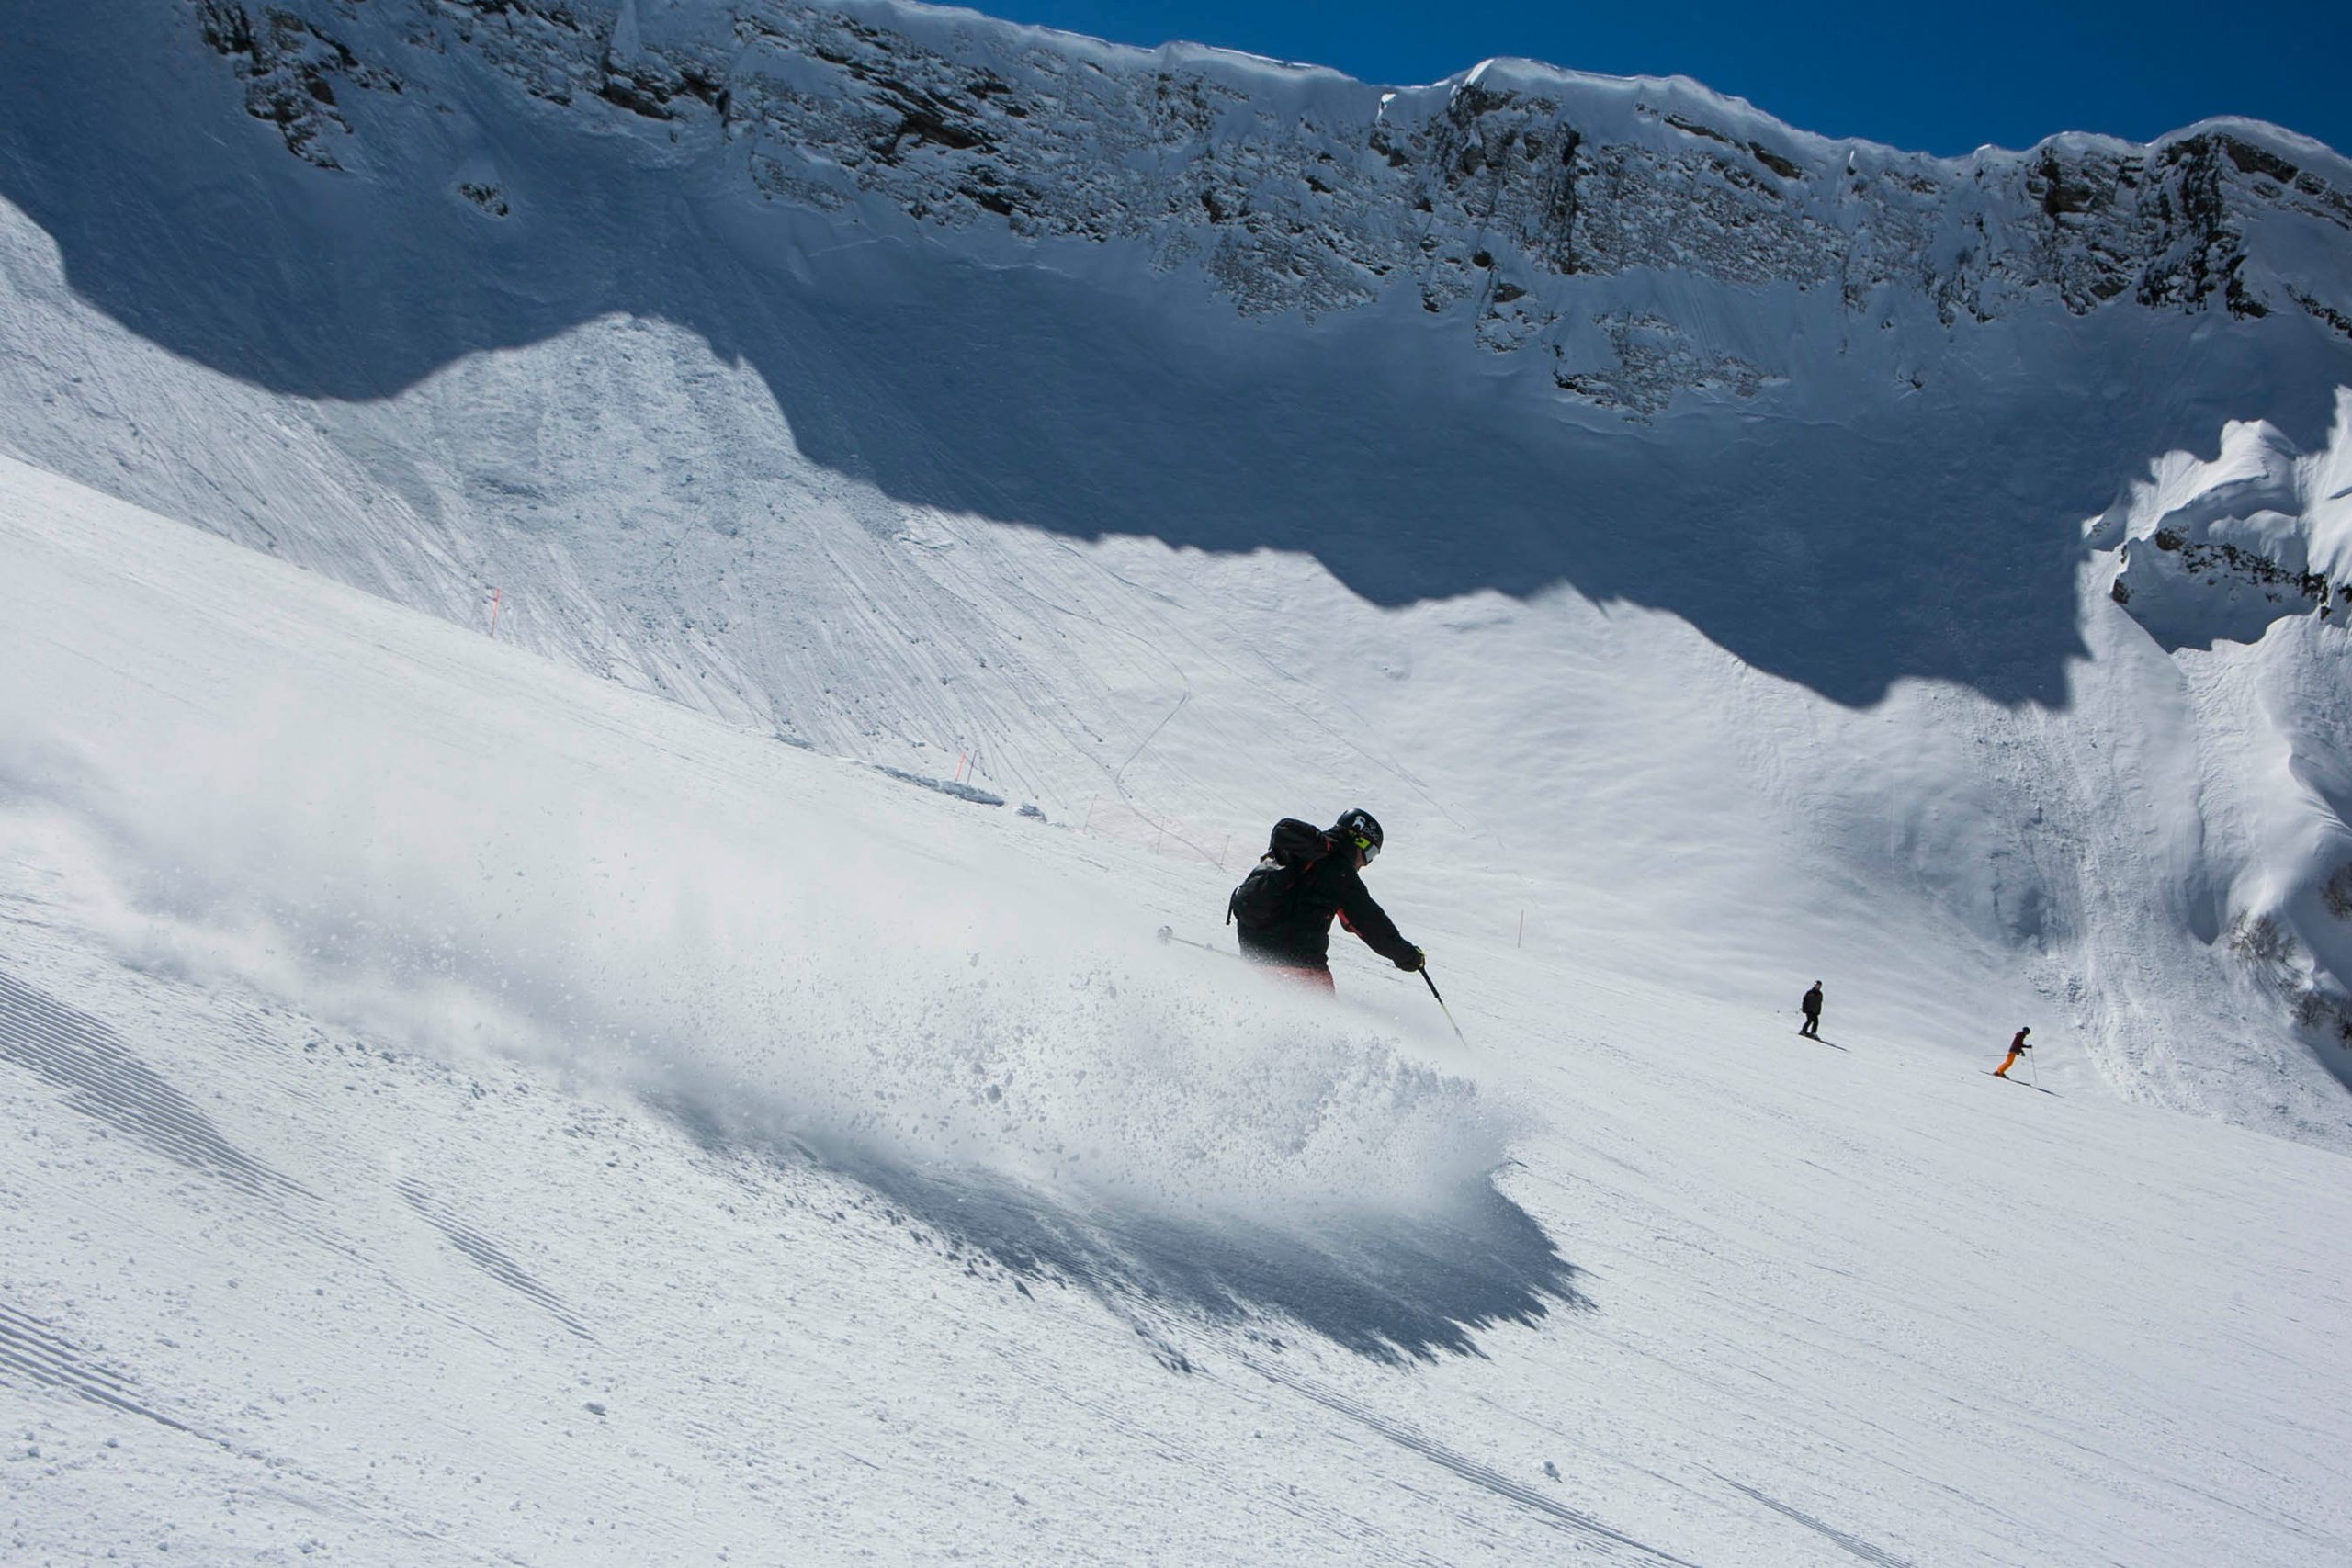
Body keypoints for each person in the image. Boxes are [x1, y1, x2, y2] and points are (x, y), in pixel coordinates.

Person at [1227, 808, 1423, 992]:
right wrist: (1407, 956)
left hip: (1254, 954)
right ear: (1359, 842)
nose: (1365, 864)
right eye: (1370, 855)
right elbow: (1368, 922)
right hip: (1299, 964)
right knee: (1324, 1022)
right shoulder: (1338, 871)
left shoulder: (1300, 851)